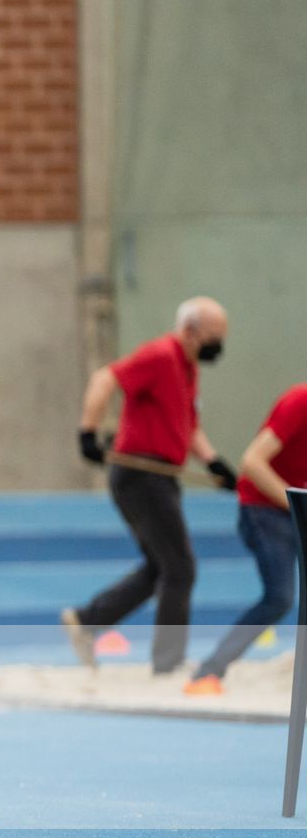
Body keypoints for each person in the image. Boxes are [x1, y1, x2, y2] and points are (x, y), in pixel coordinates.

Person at [62, 298, 235, 675]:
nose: (218, 346)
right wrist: (88, 432)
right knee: (181, 567)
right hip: (141, 475)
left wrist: (214, 463)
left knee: (162, 567)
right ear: (189, 331)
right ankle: (168, 661)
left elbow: (189, 426)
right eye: (213, 337)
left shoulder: (188, 368)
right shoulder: (160, 355)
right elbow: (104, 378)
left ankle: (88, 620)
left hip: (163, 476)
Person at [185, 383, 307, 695]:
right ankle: (208, 671)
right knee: (279, 597)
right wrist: (297, 504)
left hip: (293, 505)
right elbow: (252, 462)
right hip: (263, 509)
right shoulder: (299, 401)